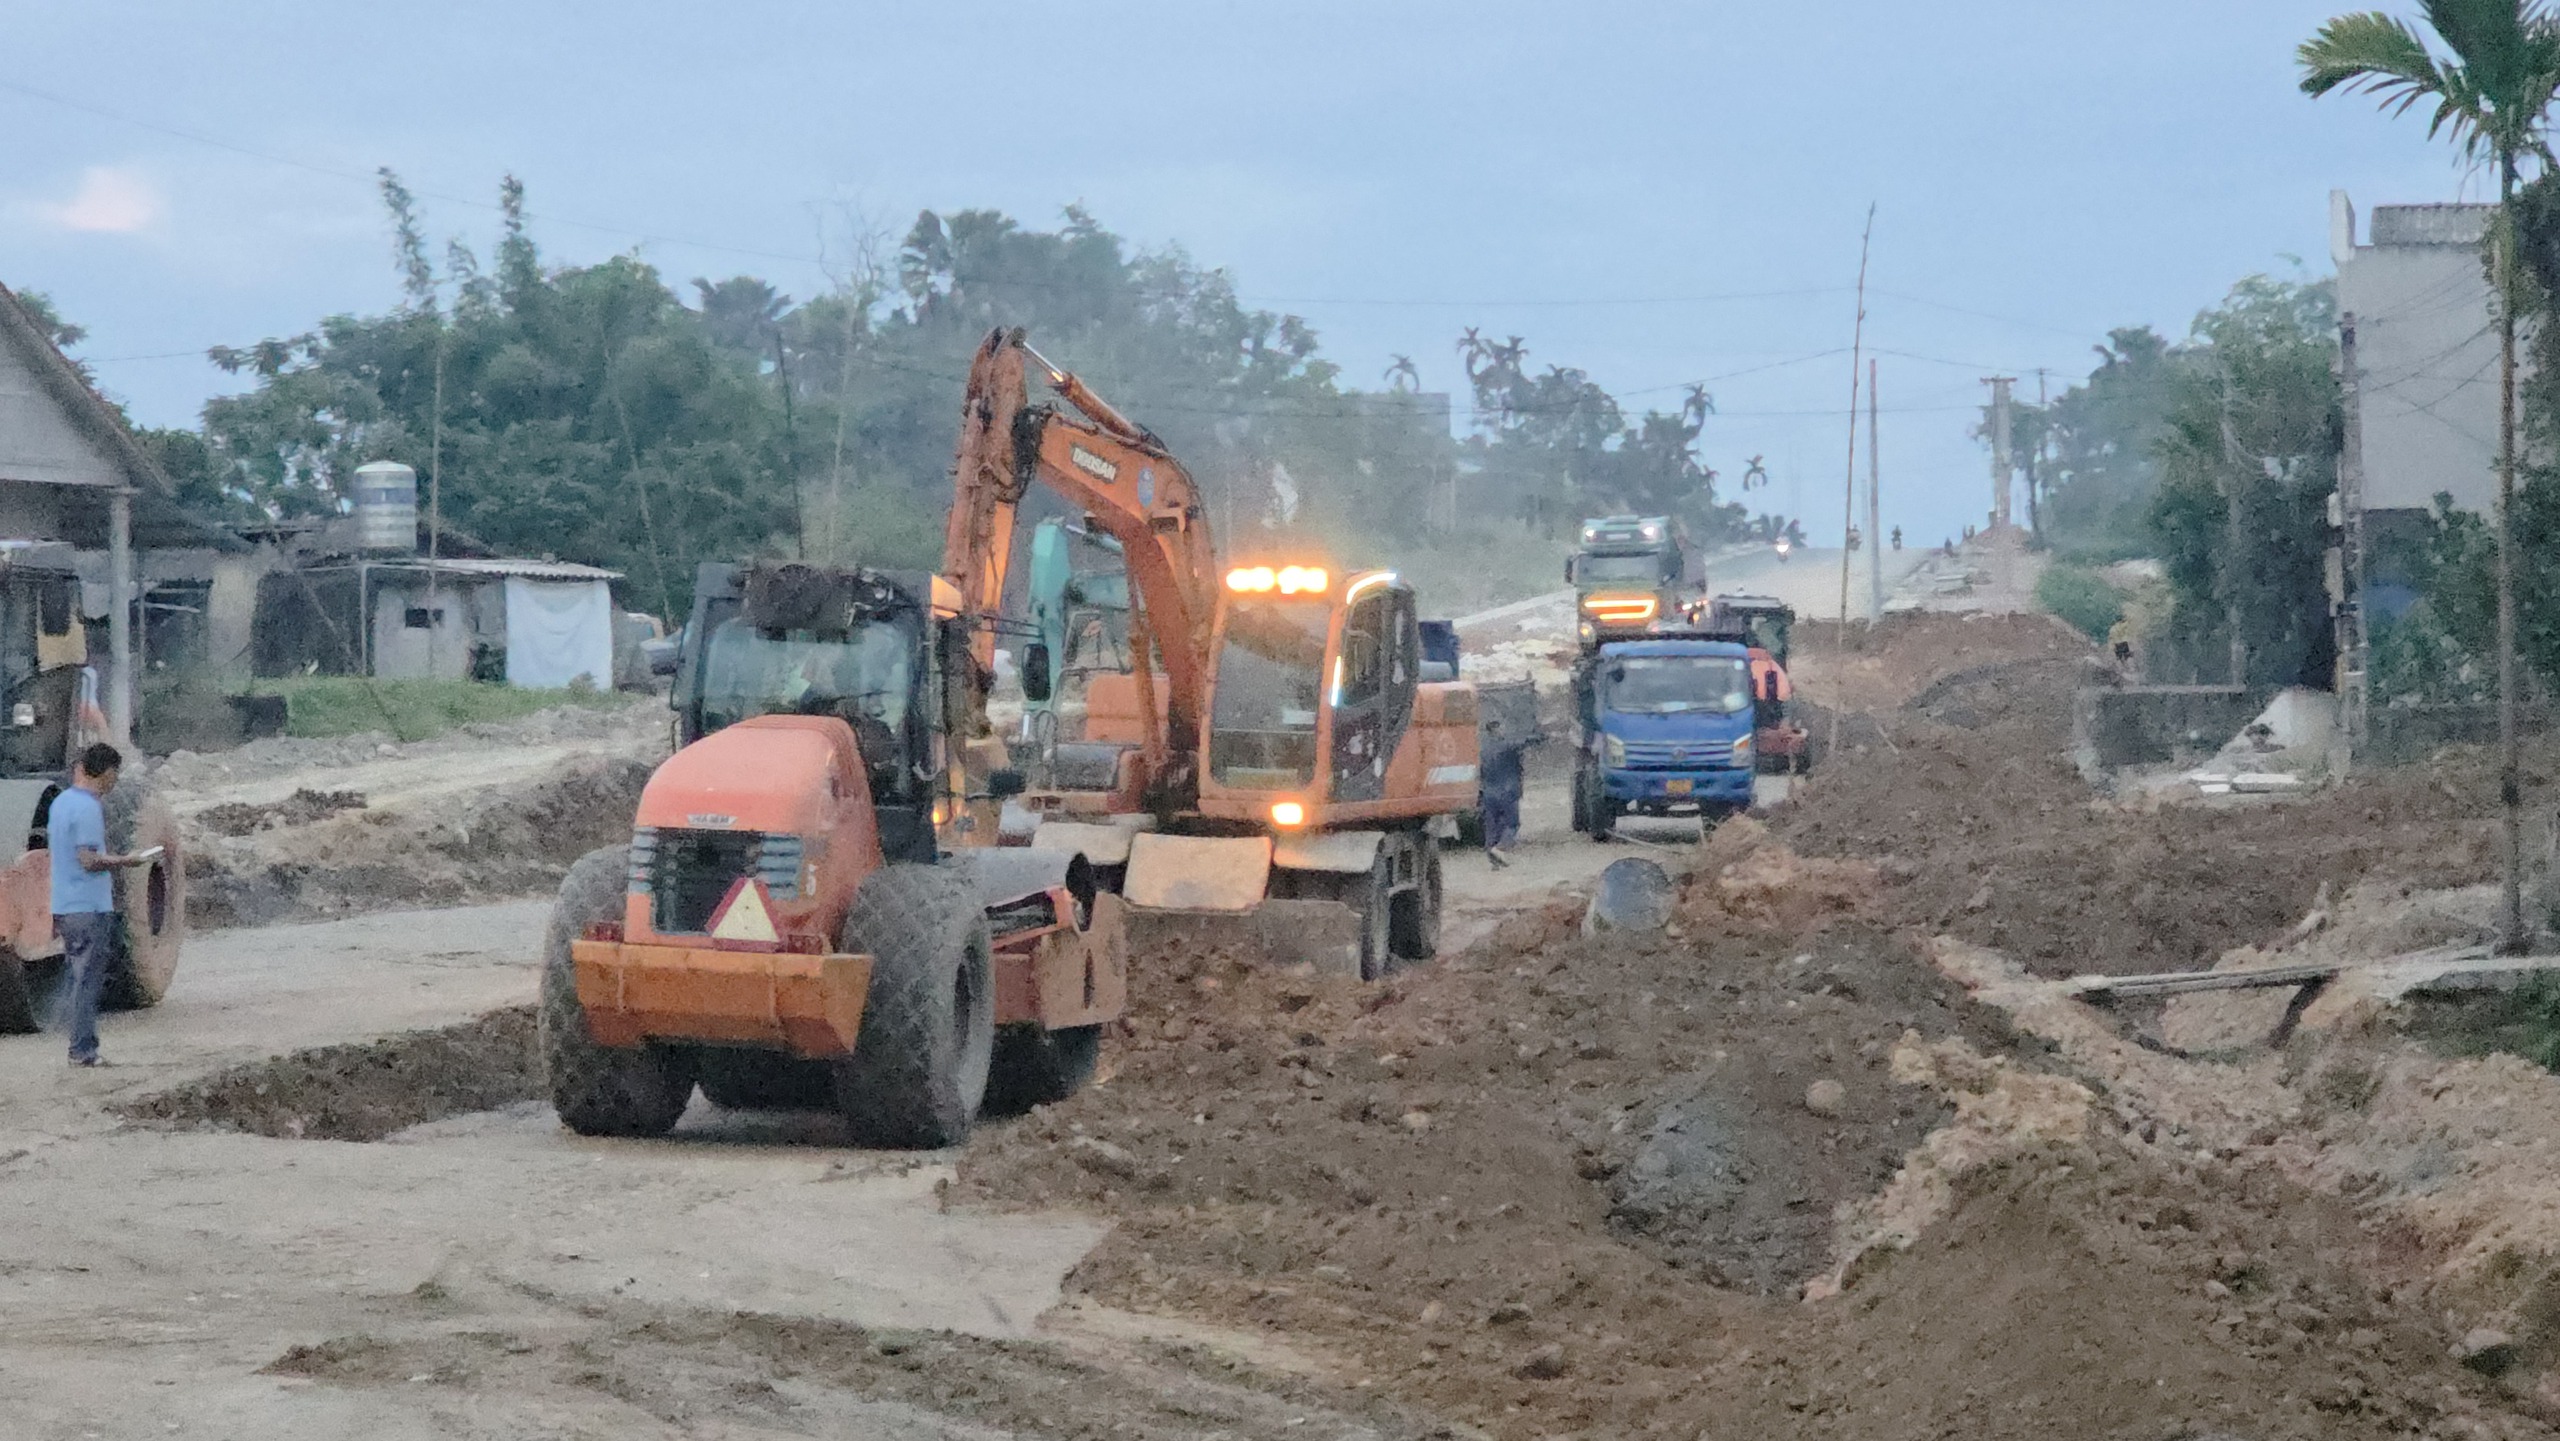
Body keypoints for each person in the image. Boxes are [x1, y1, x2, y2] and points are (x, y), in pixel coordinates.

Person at [51, 743, 149, 1068]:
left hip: (64, 904)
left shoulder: (61, 802)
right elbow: (88, 859)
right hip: (88, 905)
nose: (115, 781)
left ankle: (76, 1043)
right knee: (88, 981)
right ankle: (82, 1050)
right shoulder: (89, 808)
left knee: (77, 977)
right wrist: (127, 861)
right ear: (106, 772)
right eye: (115, 774)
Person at [1480, 717, 1529, 869]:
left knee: (1492, 826)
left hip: (1488, 793)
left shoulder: (1483, 749)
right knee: (1512, 824)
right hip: (1507, 791)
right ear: (1498, 729)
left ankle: (1493, 858)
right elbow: (1525, 742)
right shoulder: (1507, 745)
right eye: (1502, 728)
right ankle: (1500, 849)